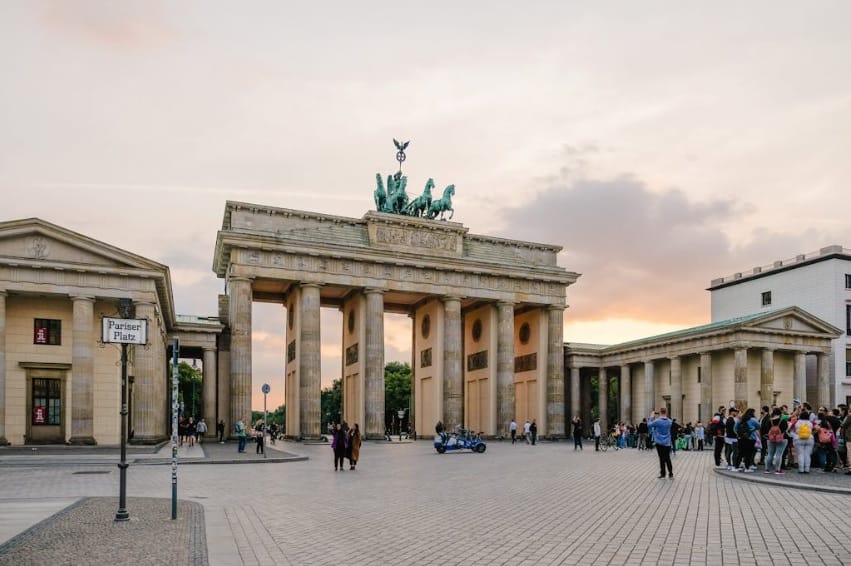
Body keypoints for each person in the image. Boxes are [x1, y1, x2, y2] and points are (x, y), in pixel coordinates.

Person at [648, 408, 673, 479]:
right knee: (667, 458)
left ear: (660, 412)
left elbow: (649, 425)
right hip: (667, 442)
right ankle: (670, 473)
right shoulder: (669, 421)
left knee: (661, 458)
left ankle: (663, 474)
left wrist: (651, 417)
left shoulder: (657, 421)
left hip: (659, 441)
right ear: (666, 412)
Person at [764, 407, 788, 474]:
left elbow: (766, 429)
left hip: (771, 439)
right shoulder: (782, 421)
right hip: (781, 439)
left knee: (770, 454)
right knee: (779, 454)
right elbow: (785, 429)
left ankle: (767, 469)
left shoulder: (769, 421)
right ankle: (777, 470)